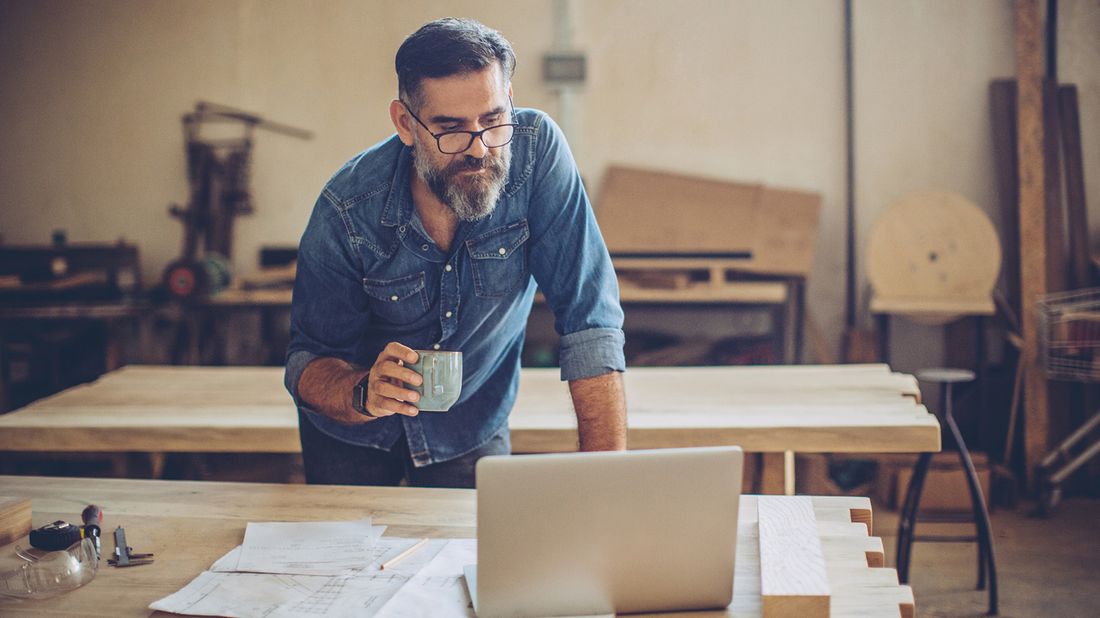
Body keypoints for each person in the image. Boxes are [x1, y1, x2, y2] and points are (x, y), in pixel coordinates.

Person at [285, 17, 626, 488]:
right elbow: (309, 360)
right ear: (406, 124)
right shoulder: (346, 209)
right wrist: (363, 392)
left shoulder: (537, 154)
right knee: (349, 562)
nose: (479, 149)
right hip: (352, 437)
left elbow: (590, 322)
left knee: (477, 558)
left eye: (492, 120)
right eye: (451, 129)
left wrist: (605, 484)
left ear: (509, 99)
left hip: (471, 424)